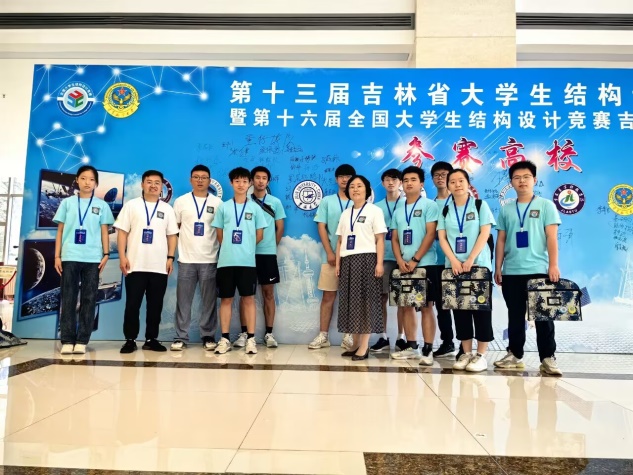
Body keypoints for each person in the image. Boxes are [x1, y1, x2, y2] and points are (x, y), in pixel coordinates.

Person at [494, 160, 563, 375]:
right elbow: (501, 240)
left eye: (526, 177)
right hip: (512, 271)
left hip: (539, 270)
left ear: (534, 180)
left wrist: (553, 265)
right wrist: (498, 267)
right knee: (515, 316)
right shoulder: (506, 209)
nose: (522, 181)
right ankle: (515, 354)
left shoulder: (546, 205)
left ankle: (548, 358)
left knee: (543, 317)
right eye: (517, 178)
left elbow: (552, 237)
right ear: (511, 182)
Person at [437, 169, 495, 372]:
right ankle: (466, 353)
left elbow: (485, 233)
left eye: (461, 180)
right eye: (452, 181)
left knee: (481, 311)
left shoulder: (480, 205)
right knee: (459, 310)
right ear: (448, 186)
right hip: (454, 268)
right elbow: (442, 237)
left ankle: (481, 355)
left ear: (468, 183)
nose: (457, 184)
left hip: (478, 265)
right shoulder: (445, 209)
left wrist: (471, 259)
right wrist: (454, 260)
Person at [115, 170, 178, 353]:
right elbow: (122, 233)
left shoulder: (167, 209)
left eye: (157, 183)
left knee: (155, 306)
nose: (153, 185)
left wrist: (170, 257)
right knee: (132, 305)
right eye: (149, 182)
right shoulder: (131, 206)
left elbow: (172, 236)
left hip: (159, 266)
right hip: (135, 265)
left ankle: (151, 339)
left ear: (162, 187)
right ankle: (130, 340)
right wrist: (122, 256)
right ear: (142, 184)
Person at [53, 165, 114, 354]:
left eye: (92, 179)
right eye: (84, 178)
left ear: (96, 183)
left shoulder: (102, 206)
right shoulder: (67, 203)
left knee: (89, 298)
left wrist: (106, 254)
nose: (87, 182)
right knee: (68, 298)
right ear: (77, 180)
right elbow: (60, 231)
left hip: (93, 258)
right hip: (70, 255)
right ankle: (67, 340)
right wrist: (57, 256)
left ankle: (82, 340)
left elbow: (104, 231)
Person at [212, 167, 266, 355]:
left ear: (249, 183)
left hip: (247, 262)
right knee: (226, 300)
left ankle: (251, 339)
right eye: (237, 181)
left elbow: (260, 234)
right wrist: (230, 248)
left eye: (244, 181)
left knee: (248, 299)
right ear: (231, 183)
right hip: (226, 262)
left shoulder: (255, 208)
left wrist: (246, 247)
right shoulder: (224, 207)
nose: (241, 184)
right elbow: (219, 234)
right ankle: (225, 338)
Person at [389, 166, 439, 366]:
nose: (409, 183)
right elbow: (394, 238)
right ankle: (412, 346)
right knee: (406, 305)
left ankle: (428, 348)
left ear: (421, 183)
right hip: (403, 265)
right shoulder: (398, 209)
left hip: (425, 264)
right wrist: (400, 260)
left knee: (426, 307)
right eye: (406, 180)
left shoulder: (430, 205)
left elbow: (431, 234)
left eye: (413, 180)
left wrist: (415, 259)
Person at [170, 165, 223, 352]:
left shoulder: (218, 203)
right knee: (183, 301)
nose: (200, 180)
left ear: (209, 180)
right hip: (186, 259)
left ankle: (208, 336)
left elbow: (221, 230)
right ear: (190, 179)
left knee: (209, 302)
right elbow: (174, 229)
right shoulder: (181, 202)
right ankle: (180, 337)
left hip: (210, 259)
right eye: (196, 177)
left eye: (204, 177)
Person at [335, 175, 386, 360]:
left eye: (359, 186)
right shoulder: (345, 213)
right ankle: (355, 344)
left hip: (367, 261)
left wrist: (379, 263)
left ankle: (364, 346)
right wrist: (338, 263)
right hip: (348, 261)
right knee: (351, 304)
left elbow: (380, 239)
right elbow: (340, 240)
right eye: (352, 186)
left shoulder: (375, 211)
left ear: (367, 190)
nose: (355, 189)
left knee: (365, 303)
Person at [308, 164, 356, 350]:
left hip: (353, 257)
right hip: (330, 257)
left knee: (350, 297)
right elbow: (321, 226)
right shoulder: (327, 201)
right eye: (341, 176)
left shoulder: (359, 202)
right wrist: (329, 252)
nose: (345, 179)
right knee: (328, 296)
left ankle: (348, 336)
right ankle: (323, 335)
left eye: (348, 176)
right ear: (336, 179)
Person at [370, 169, 406, 353]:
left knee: (402, 300)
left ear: (401, 182)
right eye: (387, 180)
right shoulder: (375, 208)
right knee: (381, 298)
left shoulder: (408, 204)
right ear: (382, 183)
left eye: (394, 179)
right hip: (383, 258)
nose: (390, 182)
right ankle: (383, 337)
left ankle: (402, 337)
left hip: (404, 258)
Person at [430, 161, 457, 358]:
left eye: (445, 174)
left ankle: (466, 345)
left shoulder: (461, 202)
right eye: (437, 175)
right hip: (436, 261)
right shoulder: (429, 205)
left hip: (457, 262)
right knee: (441, 306)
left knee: (461, 304)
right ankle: (447, 342)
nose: (441, 178)